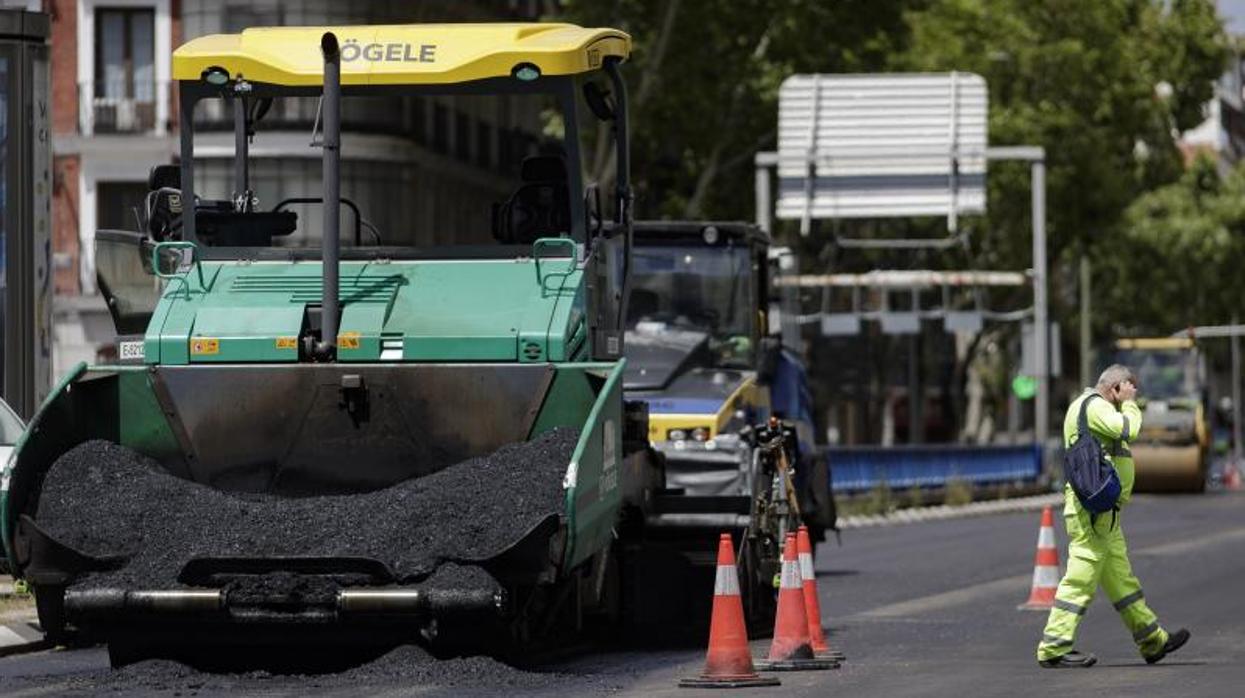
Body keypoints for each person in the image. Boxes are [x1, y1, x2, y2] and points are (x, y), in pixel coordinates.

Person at [1036, 364, 1190, 668]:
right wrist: (1130, 404)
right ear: (1115, 388)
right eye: (1128, 389)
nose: (1131, 395)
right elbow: (1127, 429)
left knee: (1121, 580)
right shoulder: (1094, 407)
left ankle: (1152, 640)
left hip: (1104, 513)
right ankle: (1054, 646)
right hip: (1093, 513)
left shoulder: (1087, 407)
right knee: (1081, 575)